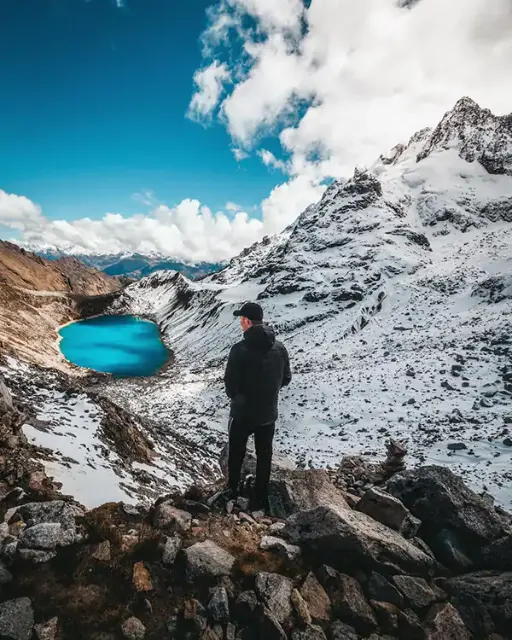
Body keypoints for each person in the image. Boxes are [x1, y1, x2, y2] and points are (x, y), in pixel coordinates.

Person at [224, 302, 291, 512]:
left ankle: (232, 489)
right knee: (265, 455)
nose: (240, 324)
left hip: (243, 413)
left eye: (241, 320)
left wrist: (238, 397)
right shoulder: (279, 348)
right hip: (268, 413)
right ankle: (260, 497)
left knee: (237, 453)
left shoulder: (239, 349)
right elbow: (286, 378)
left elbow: (230, 384)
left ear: (247, 321)